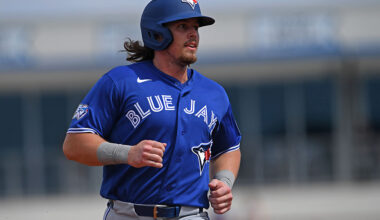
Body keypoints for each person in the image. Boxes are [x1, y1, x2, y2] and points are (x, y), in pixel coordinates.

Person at [62, 0, 241, 219]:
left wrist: (224, 182)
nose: (193, 34)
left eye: (195, 27)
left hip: (190, 215)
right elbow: (74, 144)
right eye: (183, 26)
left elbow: (229, 148)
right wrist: (128, 154)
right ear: (156, 33)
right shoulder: (121, 81)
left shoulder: (214, 93)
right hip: (127, 213)